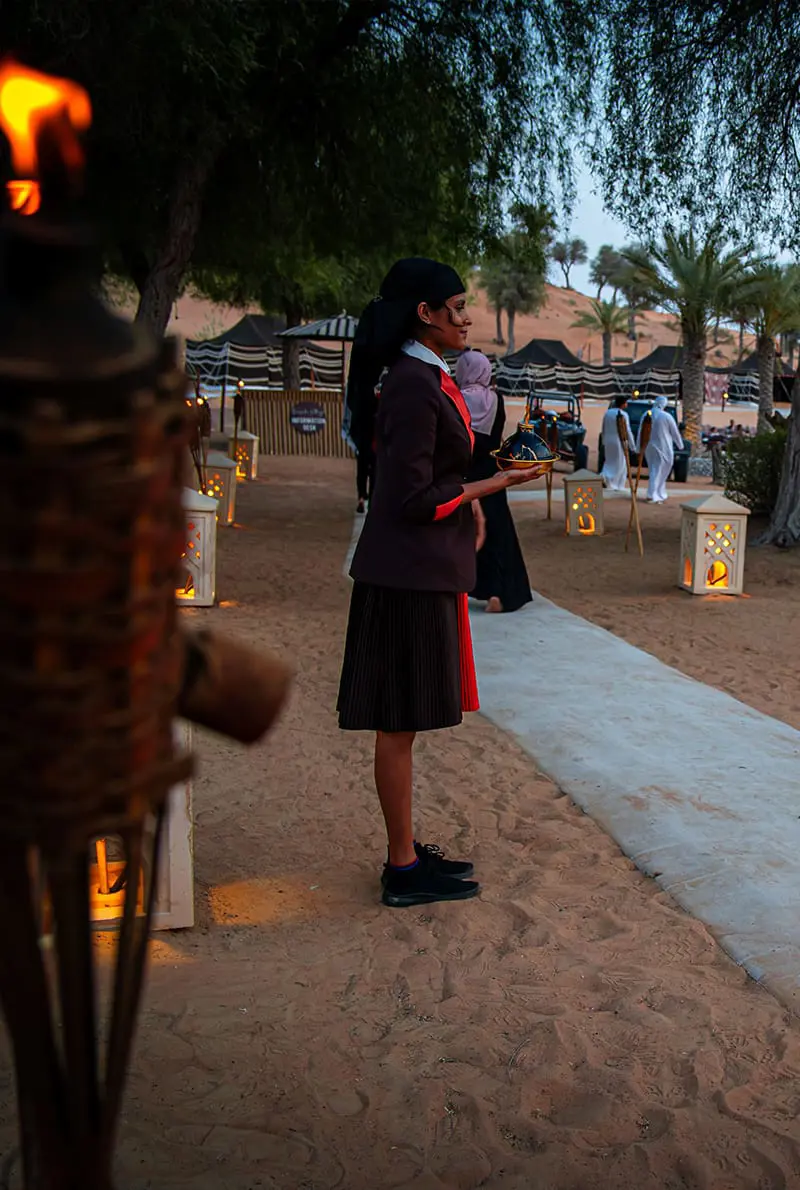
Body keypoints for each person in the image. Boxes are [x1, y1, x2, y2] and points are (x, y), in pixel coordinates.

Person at [338, 258, 535, 908]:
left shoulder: (423, 376)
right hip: (405, 577)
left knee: (407, 721)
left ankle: (405, 853)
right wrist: (493, 485)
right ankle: (401, 870)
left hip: (419, 571)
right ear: (425, 313)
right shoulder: (412, 385)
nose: (469, 318)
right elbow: (414, 499)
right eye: (457, 307)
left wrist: (473, 499)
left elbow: (428, 475)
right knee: (398, 722)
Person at [455, 349, 532, 614]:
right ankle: (500, 593)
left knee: (465, 532)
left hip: (464, 475)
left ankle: (467, 586)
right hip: (492, 474)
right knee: (499, 532)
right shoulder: (496, 400)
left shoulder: (456, 400)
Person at [639, 395, 684, 502]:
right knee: (657, 470)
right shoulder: (666, 416)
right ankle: (652, 494)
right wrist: (680, 445)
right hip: (663, 447)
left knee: (656, 469)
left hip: (649, 448)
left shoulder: (646, 414)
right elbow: (675, 432)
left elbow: (640, 433)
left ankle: (659, 492)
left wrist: (639, 448)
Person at [600, 396, 636, 490]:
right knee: (620, 464)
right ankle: (613, 483)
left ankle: (606, 478)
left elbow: (603, 428)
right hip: (619, 441)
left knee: (609, 461)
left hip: (608, 441)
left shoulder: (607, 413)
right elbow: (627, 431)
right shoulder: (623, 414)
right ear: (623, 404)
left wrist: (603, 441)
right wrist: (632, 446)